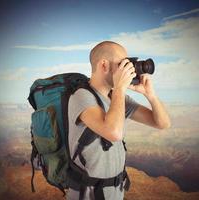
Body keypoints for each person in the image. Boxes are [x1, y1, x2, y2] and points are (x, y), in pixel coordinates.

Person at [67, 41, 171, 200]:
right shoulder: (81, 96)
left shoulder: (115, 97)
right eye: (123, 64)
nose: (127, 69)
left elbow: (162, 123)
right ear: (104, 65)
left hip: (115, 192)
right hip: (87, 194)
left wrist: (150, 95)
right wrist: (120, 88)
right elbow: (114, 133)